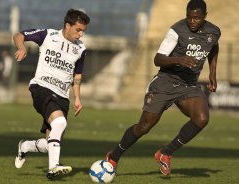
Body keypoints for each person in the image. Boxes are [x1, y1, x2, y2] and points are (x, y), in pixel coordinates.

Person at [106, 0, 220, 176]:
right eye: (189, 17)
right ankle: (114, 156)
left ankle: (165, 153)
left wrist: (212, 72)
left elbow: (213, 47)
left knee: (202, 118)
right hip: (165, 82)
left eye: (196, 18)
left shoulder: (214, 32)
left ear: (205, 16)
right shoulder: (176, 30)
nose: (192, 21)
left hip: (188, 85)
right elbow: (158, 59)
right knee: (143, 127)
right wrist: (179, 59)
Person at [13, 9, 90, 180]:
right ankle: (54, 167)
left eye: (83, 31)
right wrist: (21, 47)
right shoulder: (48, 35)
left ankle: (25, 146)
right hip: (41, 88)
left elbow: (77, 75)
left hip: (62, 96)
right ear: (67, 25)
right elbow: (19, 35)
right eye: (78, 29)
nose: (81, 34)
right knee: (60, 122)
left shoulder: (81, 49)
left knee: (51, 144)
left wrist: (77, 97)